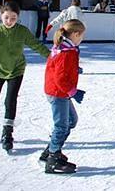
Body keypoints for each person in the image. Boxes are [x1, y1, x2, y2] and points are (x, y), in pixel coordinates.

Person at [0, 1, 51, 151]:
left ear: (17, 17)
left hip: (16, 71)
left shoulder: (22, 31)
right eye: (6, 17)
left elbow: (37, 45)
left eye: (13, 18)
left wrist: (53, 58)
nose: (9, 21)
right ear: (1, 16)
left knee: (10, 100)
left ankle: (7, 132)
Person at [41, 19, 86, 174]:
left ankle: (51, 149)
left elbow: (58, 69)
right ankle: (52, 159)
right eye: (81, 36)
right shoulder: (65, 52)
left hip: (59, 91)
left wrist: (75, 70)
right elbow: (59, 78)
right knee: (62, 126)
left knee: (71, 121)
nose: (81, 40)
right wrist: (73, 92)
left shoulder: (66, 48)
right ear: (75, 34)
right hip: (58, 92)